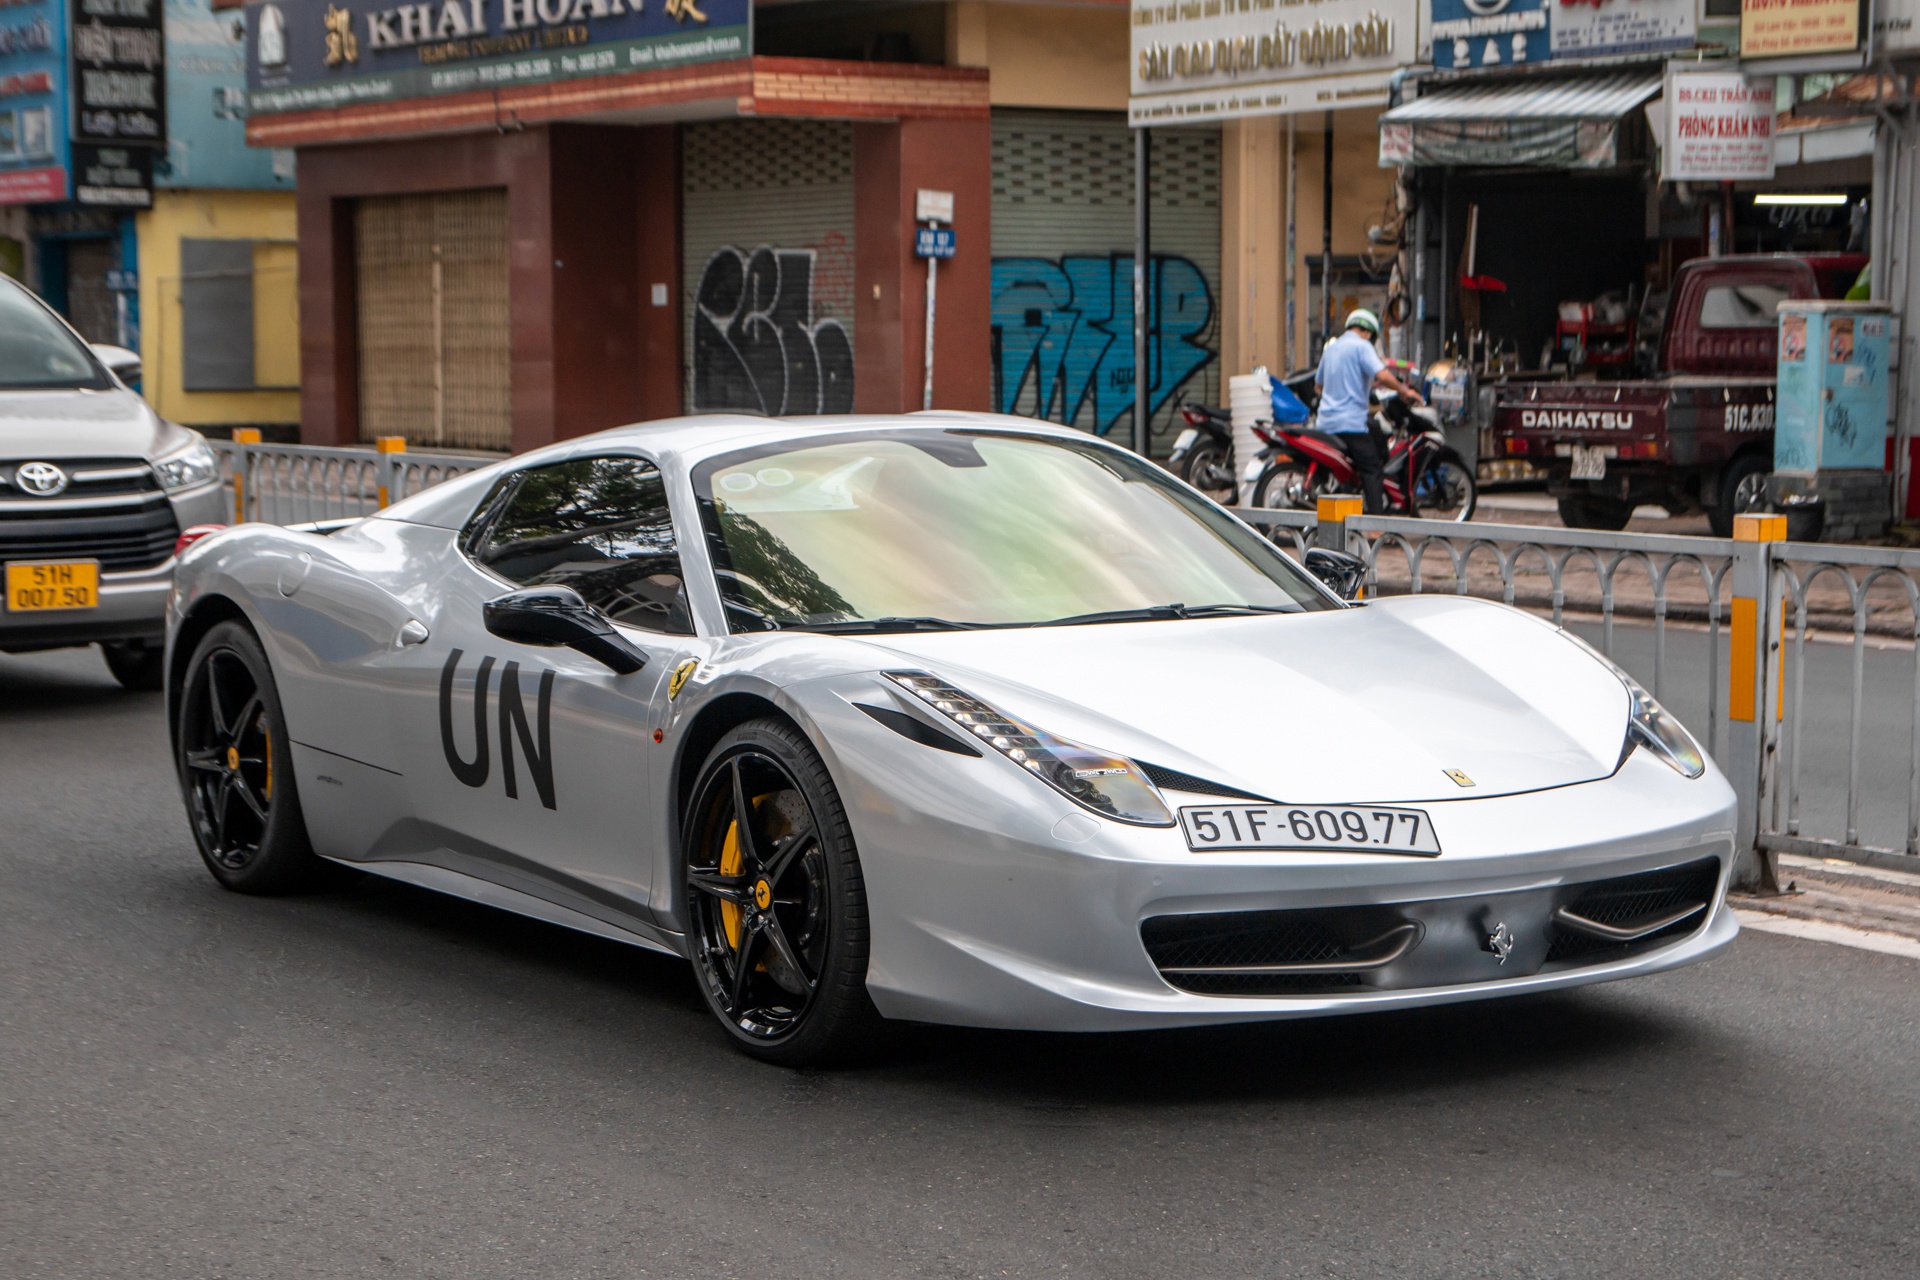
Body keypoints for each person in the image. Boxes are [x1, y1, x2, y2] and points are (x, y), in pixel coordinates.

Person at [1314, 309, 1424, 513]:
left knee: (1374, 432)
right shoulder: (1362, 346)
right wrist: (1404, 390)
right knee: (1372, 469)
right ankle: (1376, 523)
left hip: (1325, 424)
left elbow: (1318, 385)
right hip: (1350, 425)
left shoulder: (1331, 348)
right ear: (1367, 332)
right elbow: (1382, 375)